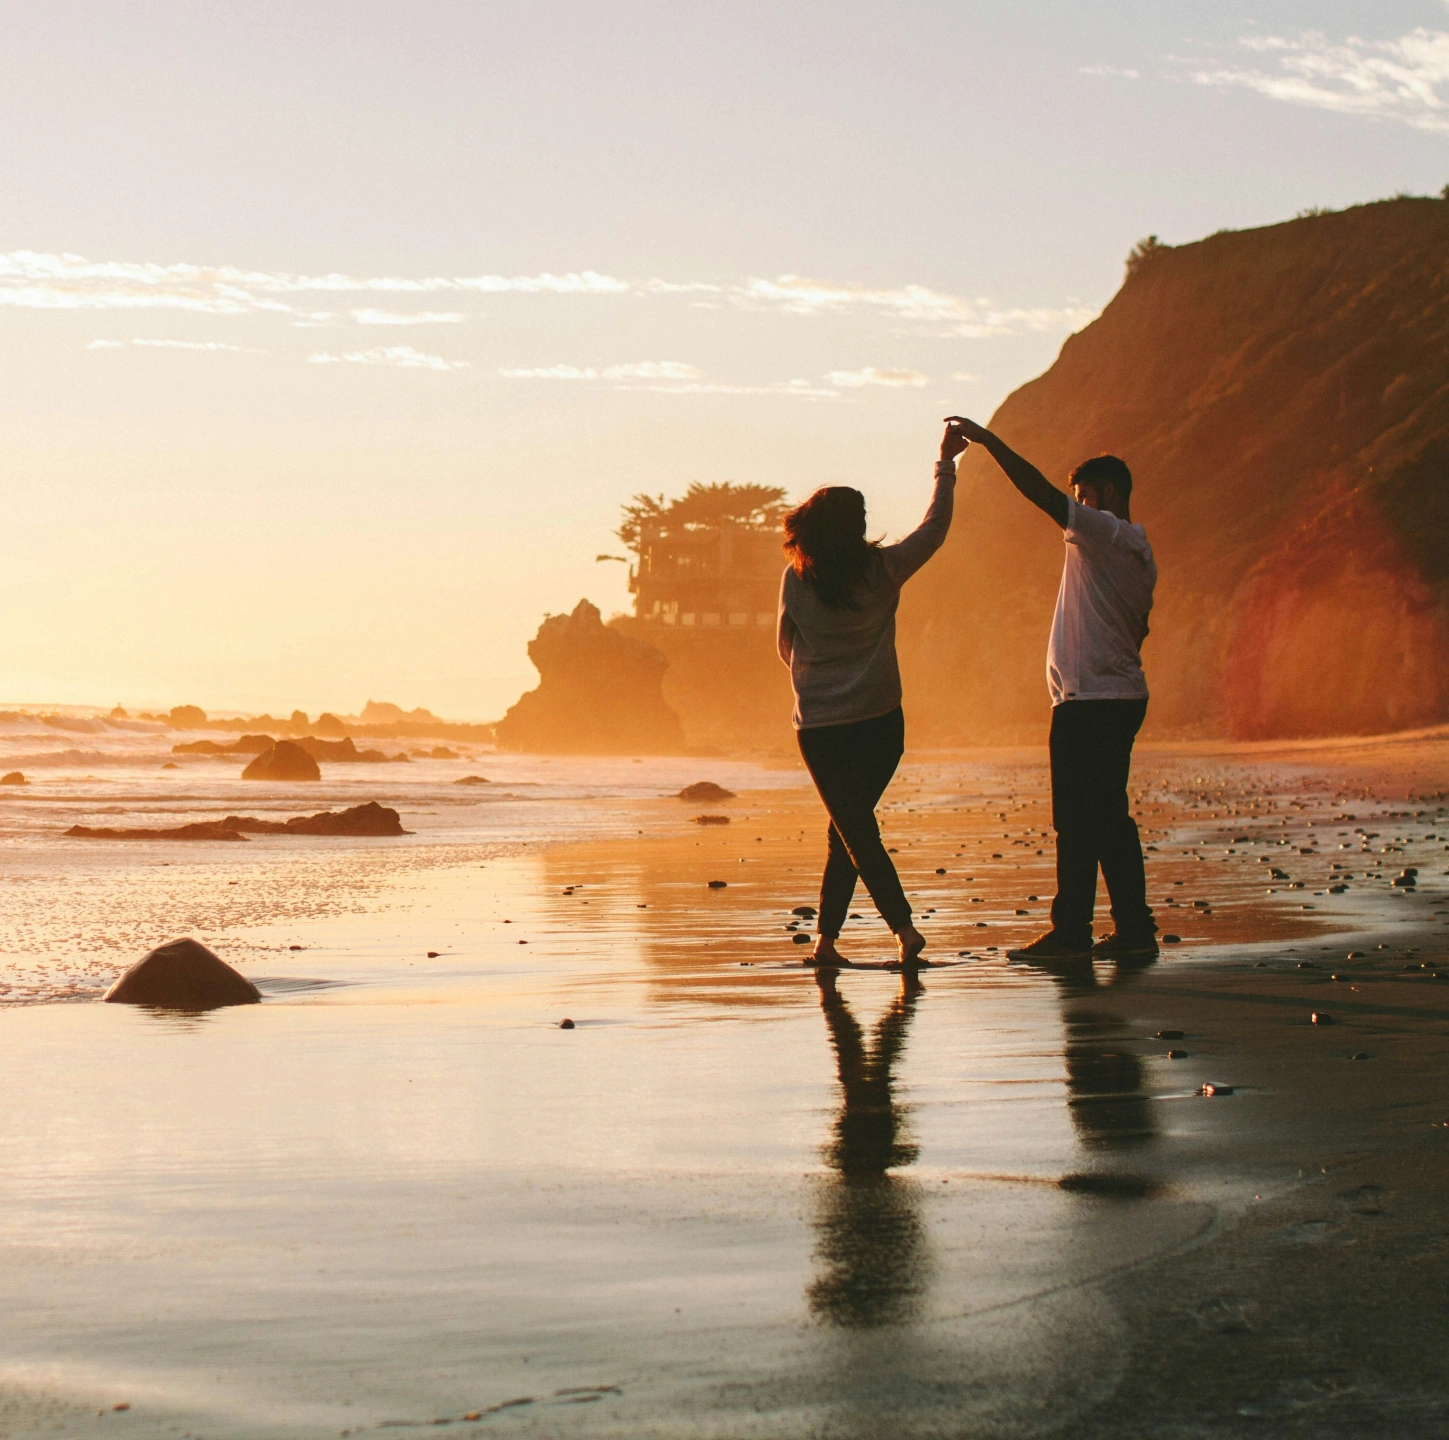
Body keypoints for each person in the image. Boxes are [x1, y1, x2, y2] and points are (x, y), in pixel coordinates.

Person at [947, 418, 1158, 961]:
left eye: (1085, 496)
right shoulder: (1138, 549)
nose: (1078, 507)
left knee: (1077, 820)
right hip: (1113, 694)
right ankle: (1133, 930)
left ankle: (1073, 932)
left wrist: (989, 442)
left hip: (1092, 701)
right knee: (1108, 816)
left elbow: (1041, 494)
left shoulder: (1107, 532)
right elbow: (1141, 626)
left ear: (1109, 494)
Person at [777, 421, 967, 967]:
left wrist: (820, 676)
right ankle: (827, 942)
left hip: (822, 730)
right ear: (853, 526)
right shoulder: (886, 569)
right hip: (883, 725)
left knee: (856, 831)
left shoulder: (796, 579)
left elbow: (784, 646)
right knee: (851, 830)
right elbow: (935, 527)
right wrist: (945, 466)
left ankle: (905, 931)